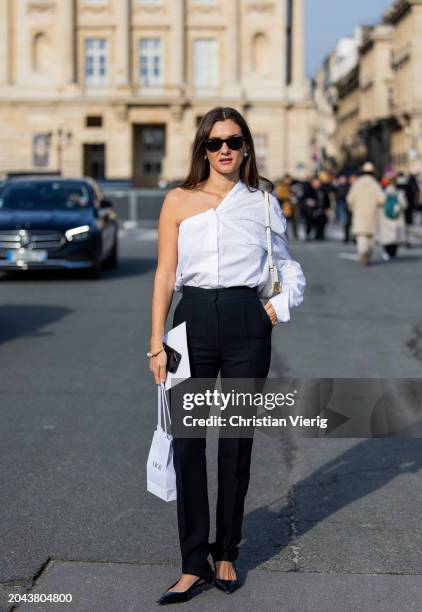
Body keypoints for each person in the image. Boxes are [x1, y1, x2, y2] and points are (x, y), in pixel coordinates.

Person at [148, 106, 306, 605]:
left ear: (246, 148)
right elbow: (164, 276)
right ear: (202, 148)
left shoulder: (261, 203)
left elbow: (286, 264)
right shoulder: (177, 200)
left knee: (236, 443)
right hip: (190, 321)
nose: (224, 151)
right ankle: (192, 563)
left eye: (234, 142)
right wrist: (156, 342)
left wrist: (276, 308)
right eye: (215, 143)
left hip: (245, 322)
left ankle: (227, 554)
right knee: (190, 443)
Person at [346, 161, 385, 265]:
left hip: (359, 214)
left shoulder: (357, 184)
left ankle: (363, 252)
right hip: (372, 214)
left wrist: (352, 208)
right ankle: (368, 251)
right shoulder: (375, 184)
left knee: (361, 236)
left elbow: (349, 198)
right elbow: (382, 199)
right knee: (370, 236)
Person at [380, 173, 407, 260]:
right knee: (395, 237)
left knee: (386, 237)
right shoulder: (399, 193)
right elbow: (404, 204)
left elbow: (379, 204)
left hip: (385, 218)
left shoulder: (383, 193)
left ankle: (387, 252)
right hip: (396, 218)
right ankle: (393, 252)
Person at [275, 174, 298, 240]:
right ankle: (285, 236)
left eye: (289, 179)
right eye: (287, 179)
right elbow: (279, 196)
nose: (289, 181)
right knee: (285, 222)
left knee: (294, 222)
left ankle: (295, 236)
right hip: (285, 207)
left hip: (292, 207)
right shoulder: (281, 186)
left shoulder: (291, 186)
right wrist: (288, 197)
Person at [335, 175, 351, 243]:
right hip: (340, 204)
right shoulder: (338, 186)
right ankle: (346, 236)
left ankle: (347, 236)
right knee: (344, 220)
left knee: (346, 221)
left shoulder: (348, 186)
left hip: (345, 204)